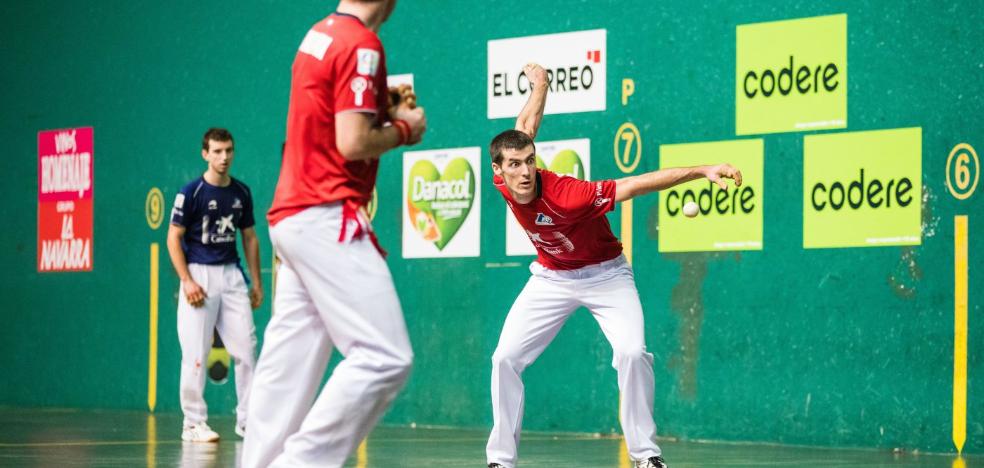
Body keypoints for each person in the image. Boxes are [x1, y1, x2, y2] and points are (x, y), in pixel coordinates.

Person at [486, 63, 742, 468]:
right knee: (504, 358)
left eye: (529, 162)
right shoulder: (507, 177)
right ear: (497, 170)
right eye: (514, 164)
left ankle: (645, 456)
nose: (524, 171)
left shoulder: (569, 195)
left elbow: (636, 183)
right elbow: (525, 125)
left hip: (606, 275)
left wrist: (700, 170)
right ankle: (500, 459)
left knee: (632, 352)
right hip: (551, 277)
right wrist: (541, 84)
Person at [242, 0, 426, 466]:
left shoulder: (318, 35)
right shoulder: (363, 45)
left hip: (293, 215)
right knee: (386, 356)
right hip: (327, 215)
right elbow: (352, 141)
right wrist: (404, 128)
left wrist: (379, 108)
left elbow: (331, 120)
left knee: (288, 365)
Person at [166, 127, 263, 442]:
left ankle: (248, 421)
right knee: (195, 352)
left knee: (247, 351)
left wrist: (256, 281)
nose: (224, 158)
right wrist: (187, 280)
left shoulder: (241, 193)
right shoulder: (191, 192)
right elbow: (173, 238)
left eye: (229, 151)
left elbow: (249, 237)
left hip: (231, 276)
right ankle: (193, 423)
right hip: (198, 275)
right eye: (217, 152)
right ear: (205, 154)